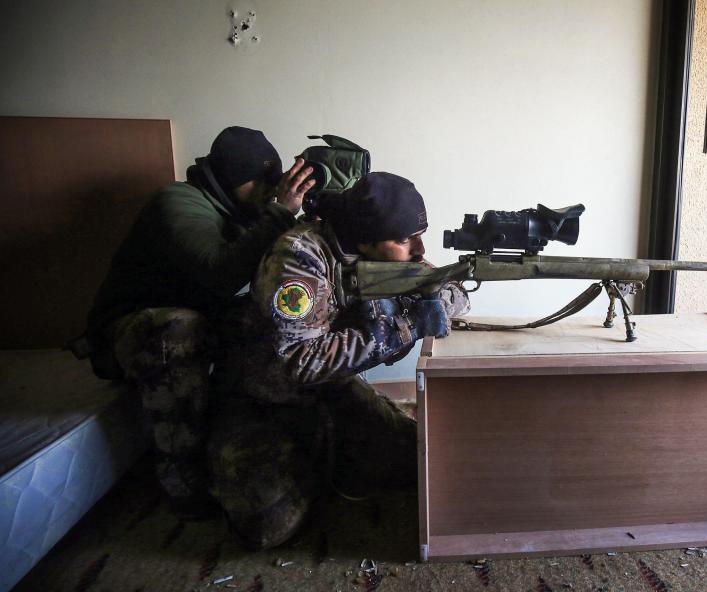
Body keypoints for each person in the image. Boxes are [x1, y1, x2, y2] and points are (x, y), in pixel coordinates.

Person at [208, 172, 470, 549]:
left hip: (330, 389)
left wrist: (441, 303)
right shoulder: (297, 258)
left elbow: (451, 287)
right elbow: (299, 363)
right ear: (365, 239)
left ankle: (331, 446)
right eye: (404, 239)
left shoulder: (387, 250)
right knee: (267, 527)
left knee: (416, 466)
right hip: (264, 398)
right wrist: (406, 326)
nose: (418, 248)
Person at [85, 126, 316, 515]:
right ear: (227, 180)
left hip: (198, 320)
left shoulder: (242, 213)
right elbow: (220, 273)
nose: (267, 191)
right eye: (258, 182)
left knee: (274, 319)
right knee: (178, 327)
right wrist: (280, 212)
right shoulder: (177, 201)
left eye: (272, 182)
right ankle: (182, 479)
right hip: (132, 331)